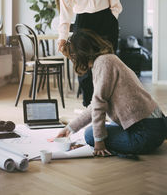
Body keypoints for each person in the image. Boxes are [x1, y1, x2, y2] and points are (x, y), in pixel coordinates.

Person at [56, 29, 167, 157]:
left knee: (89, 134)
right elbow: (95, 105)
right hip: (155, 126)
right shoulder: (108, 59)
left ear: (80, 55)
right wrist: (70, 128)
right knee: (105, 126)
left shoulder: (103, 63)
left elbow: (98, 105)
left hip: (144, 134)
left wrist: (99, 142)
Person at [56, 0, 122, 107]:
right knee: (84, 67)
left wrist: (113, 15)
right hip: (83, 22)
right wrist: (62, 37)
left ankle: (110, 107)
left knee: (108, 65)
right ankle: (89, 107)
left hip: (106, 19)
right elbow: (65, 10)